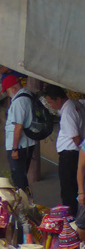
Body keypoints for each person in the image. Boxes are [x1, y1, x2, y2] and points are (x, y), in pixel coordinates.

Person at [46, 84, 83, 214]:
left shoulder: (68, 111)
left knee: (69, 189)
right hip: (73, 154)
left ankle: (71, 218)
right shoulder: (74, 104)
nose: (50, 105)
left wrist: (83, 152)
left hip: (70, 155)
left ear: (59, 99)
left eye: (51, 102)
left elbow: (76, 137)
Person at [3, 73, 34, 191]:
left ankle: (24, 203)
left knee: (19, 178)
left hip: (20, 145)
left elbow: (18, 126)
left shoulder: (19, 102)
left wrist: (14, 148)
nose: (7, 94)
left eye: (7, 91)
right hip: (25, 144)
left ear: (13, 88)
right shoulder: (27, 96)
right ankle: (25, 200)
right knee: (21, 176)